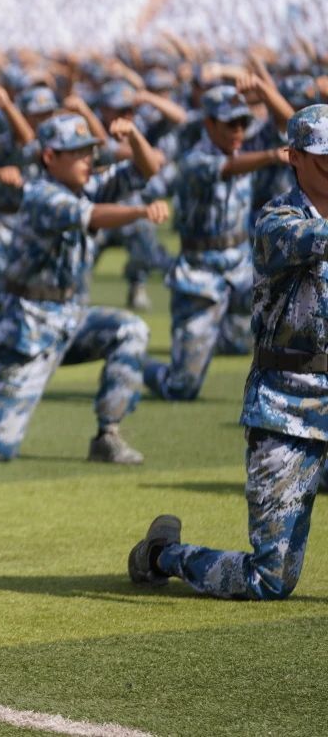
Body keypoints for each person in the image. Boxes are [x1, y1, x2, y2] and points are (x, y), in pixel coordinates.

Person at [128, 104, 328, 600]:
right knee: (269, 579)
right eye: (323, 156)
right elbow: (316, 239)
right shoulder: (277, 220)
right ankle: (162, 555)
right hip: (287, 406)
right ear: (295, 157)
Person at [0, 113, 169, 465]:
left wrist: (135, 135)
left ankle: (107, 436)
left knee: (131, 330)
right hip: (28, 327)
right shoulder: (41, 195)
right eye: (77, 153)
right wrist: (140, 212)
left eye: (89, 151)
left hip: (71, 318)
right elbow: (91, 216)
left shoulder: (87, 185)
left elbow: (146, 169)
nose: (88, 159)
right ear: (50, 157)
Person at [143, 81, 292, 401]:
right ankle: (137, 363)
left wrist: (264, 90)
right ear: (209, 123)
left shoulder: (245, 146)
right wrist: (270, 155)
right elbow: (227, 168)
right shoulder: (194, 159)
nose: (238, 130)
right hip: (200, 274)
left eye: (243, 123)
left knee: (294, 304)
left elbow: (288, 124)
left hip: (242, 267)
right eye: (230, 124)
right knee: (181, 387)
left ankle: (283, 393)